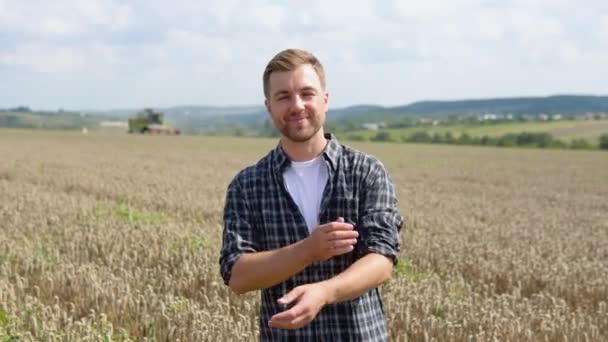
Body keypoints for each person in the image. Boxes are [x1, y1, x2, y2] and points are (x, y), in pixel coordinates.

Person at [219, 48, 403, 341]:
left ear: (325, 100)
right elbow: (238, 276)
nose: (297, 105)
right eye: (283, 97)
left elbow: (382, 259)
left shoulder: (366, 172)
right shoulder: (247, 185)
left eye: (307, 93)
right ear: (269, 107)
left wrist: (324, 292)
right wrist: (307, 250)